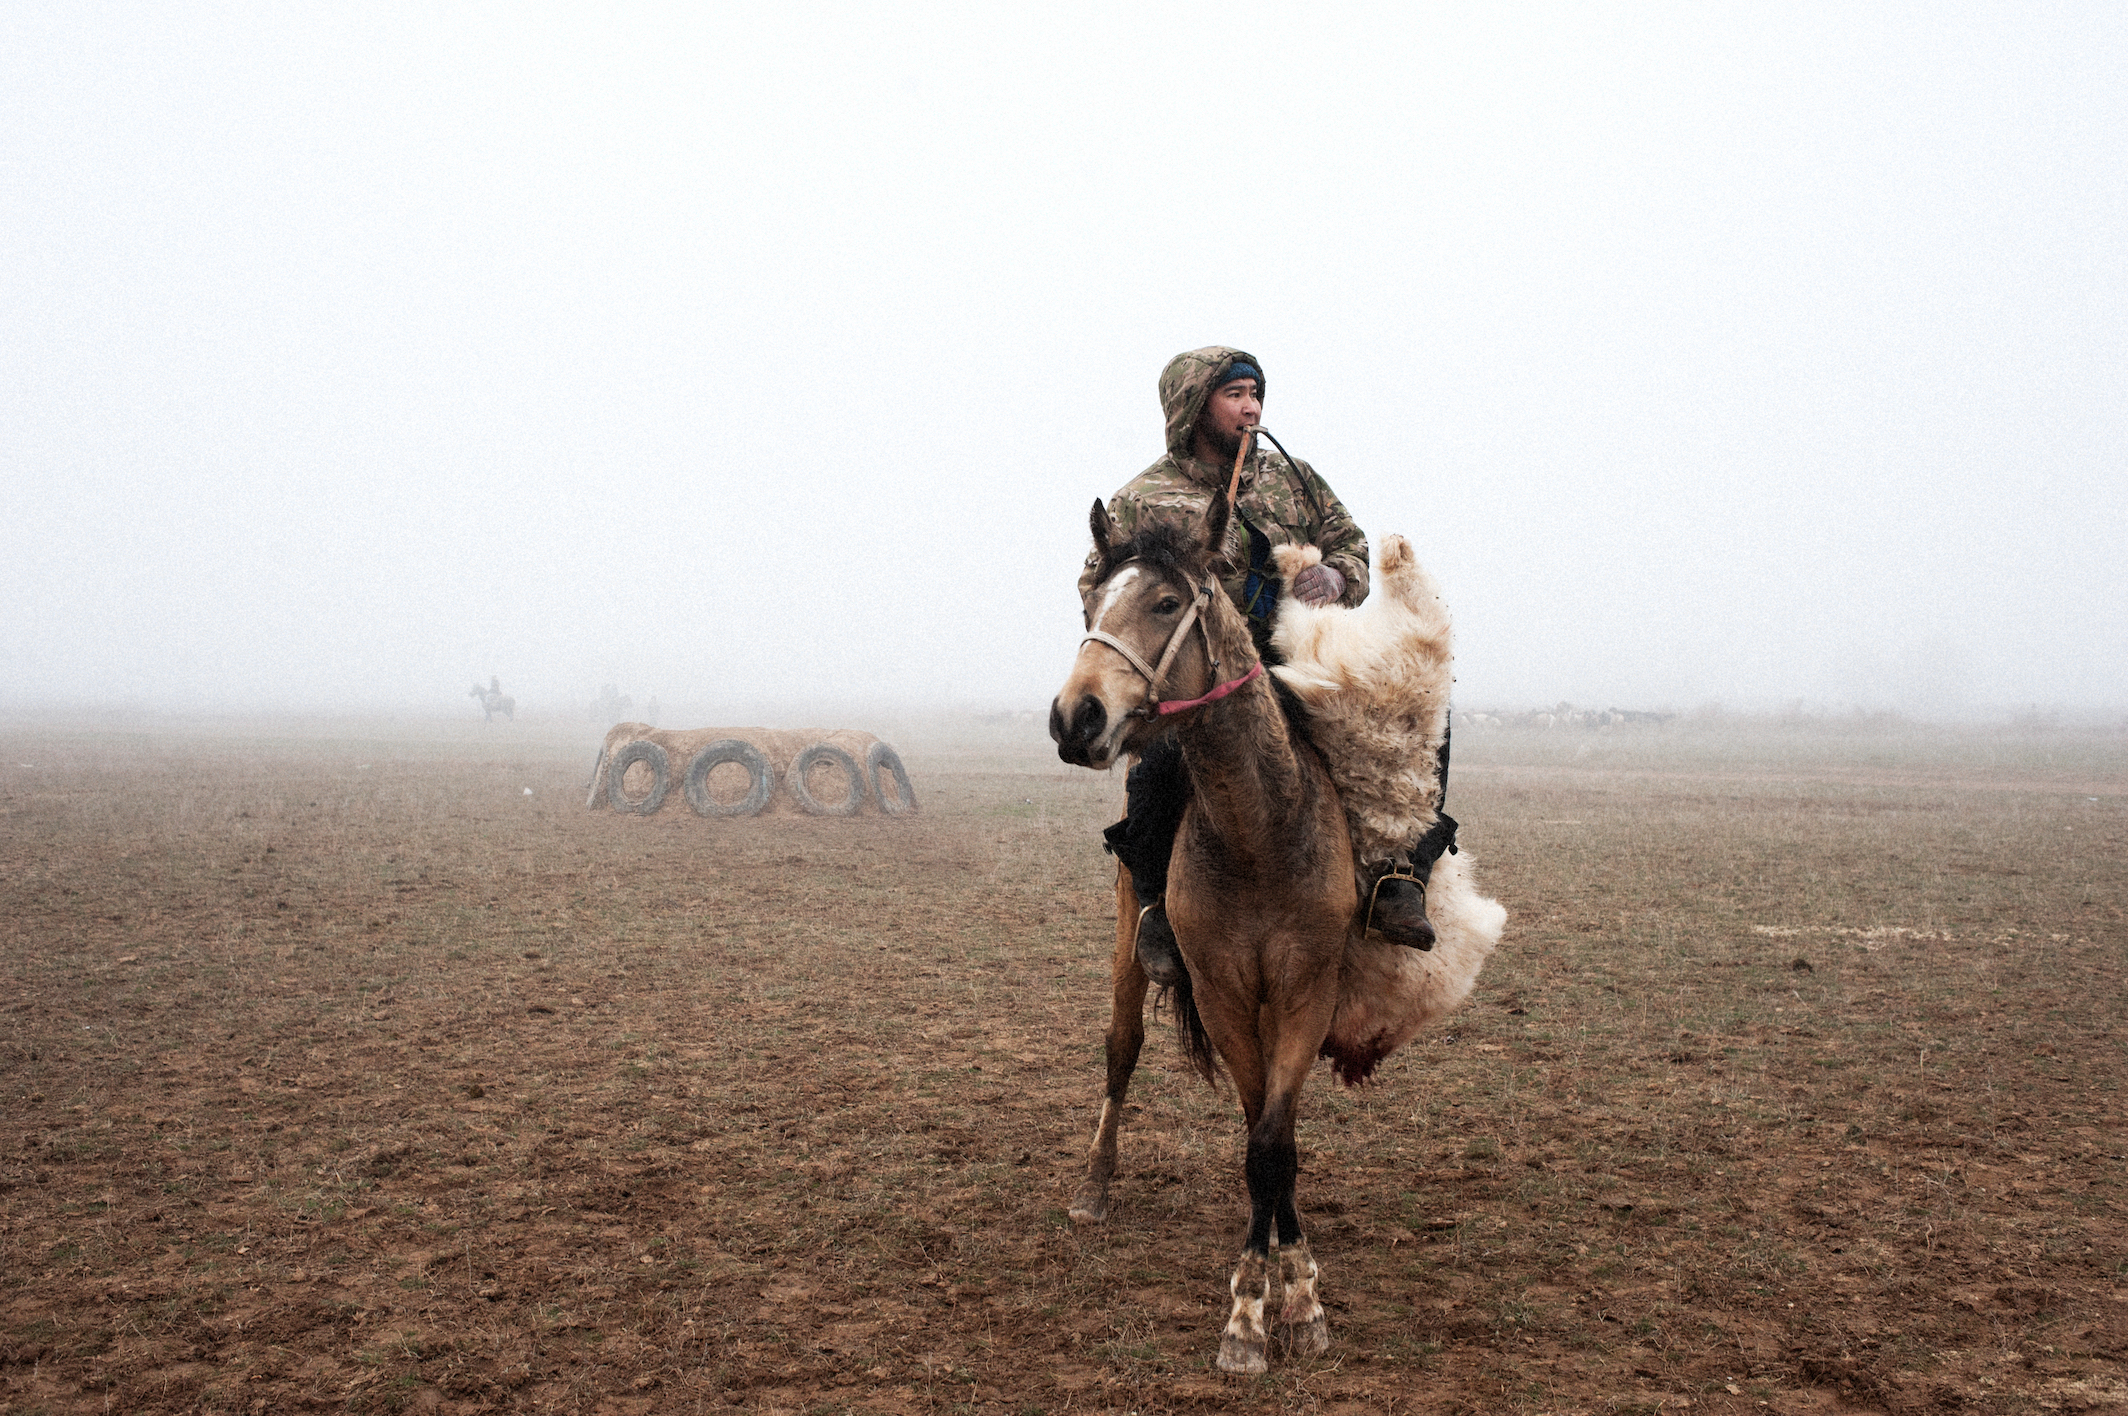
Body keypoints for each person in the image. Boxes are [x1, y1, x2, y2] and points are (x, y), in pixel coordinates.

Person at [1082, 346, 1456, 985]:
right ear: (1195, 406)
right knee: (1160, 768)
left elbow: (1350, 543)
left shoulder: (1296, 480)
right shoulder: (1143, 498)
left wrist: (1336, 577)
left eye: (1255, 392)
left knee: (1415, 718)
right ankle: (1155, 911)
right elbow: (1100, 583)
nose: (1251, 406)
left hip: (1296, 663)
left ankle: (1400, 879)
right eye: (1234, 395)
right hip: (1204, 681)